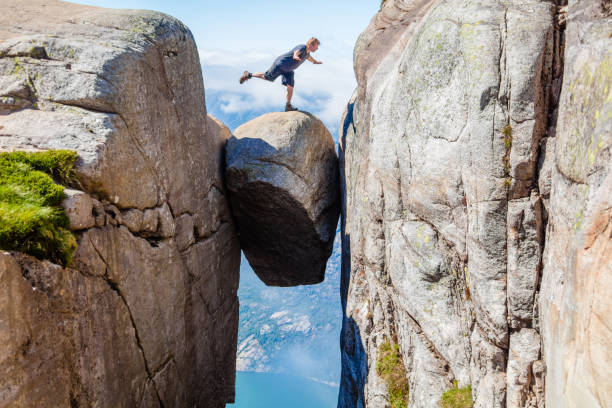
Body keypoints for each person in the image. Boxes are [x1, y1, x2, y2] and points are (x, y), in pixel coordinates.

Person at [239, 37, 322, 112]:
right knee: (266, 76)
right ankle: (248, 74)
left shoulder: (307, 53)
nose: (317, 48)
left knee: (291, 86)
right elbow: (296, 52)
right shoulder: (302, 47)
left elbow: (309, 58)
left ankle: (288, 105)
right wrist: (295, 56)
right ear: (311, 44)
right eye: (316, 46)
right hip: (280, 64)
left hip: (289, 70)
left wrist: (315, 62)